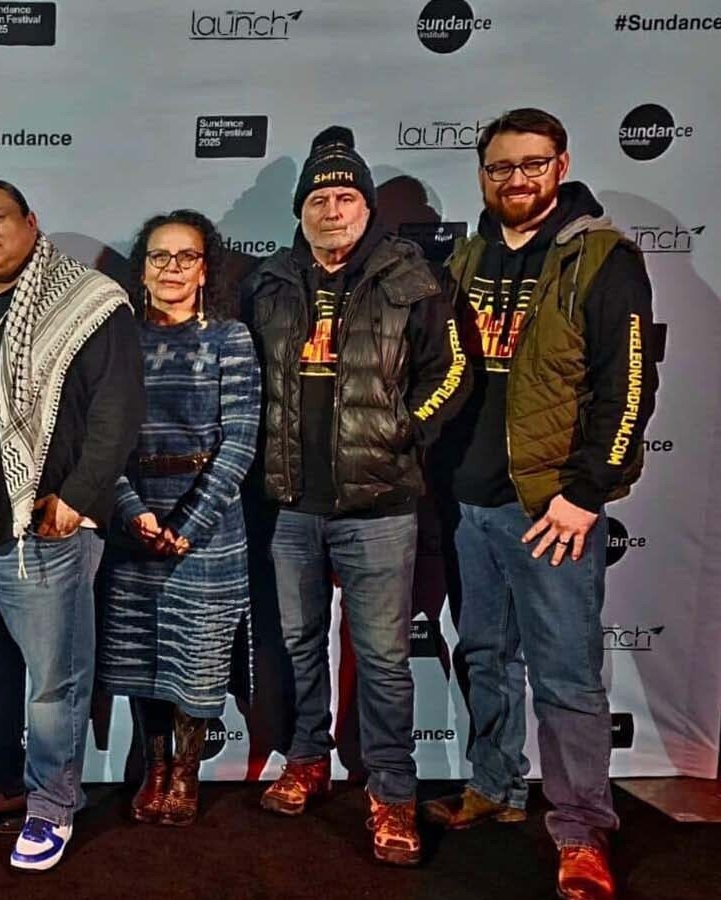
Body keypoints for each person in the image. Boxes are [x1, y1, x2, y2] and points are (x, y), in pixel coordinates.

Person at [423, 108, 657, 900]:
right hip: (467, 501)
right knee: (485, 654)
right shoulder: (466, 253)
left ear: (559, 165)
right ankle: (494, 785)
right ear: (483, 174)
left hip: (550, 510)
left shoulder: (601, 258)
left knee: (566, 677)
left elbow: (628, 386)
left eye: (531, 164)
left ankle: (582, 830)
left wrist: (587, 493)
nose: (515, 180)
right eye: (500, 168)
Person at [246, 126, 469, 866]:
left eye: (345, 197)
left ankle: (393, 794)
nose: (331, 210)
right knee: (302, 644)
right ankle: (308, 757)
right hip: (291, 506)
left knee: (382, 658)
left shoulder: (413, 279)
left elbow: (452, 376)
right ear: (300, 209)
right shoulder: (271, 283)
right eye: (318, 197)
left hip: (381, 507)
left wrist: (403, 435)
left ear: (368, 207)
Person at [0, 179, 144, 871]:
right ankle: (4, 782)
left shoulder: (89, 303)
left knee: (55, 682)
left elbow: (118, 411)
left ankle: (52, 805)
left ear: (30, 222)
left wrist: (79, 497)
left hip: (46, 529)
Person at [97, 210, 259, 827]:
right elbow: (99, 440)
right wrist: (133, 512)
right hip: (132, 521)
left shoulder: (230, 338)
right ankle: (155, 768)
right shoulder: (119, 341)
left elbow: (241, 440)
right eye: (160, 257)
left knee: (196, 657)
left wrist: (191, 522)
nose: (171, 269)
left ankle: (186, 775)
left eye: (184, 257)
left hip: (209, 528)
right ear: (142, 269)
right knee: (139, 654)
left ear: (204, 268)